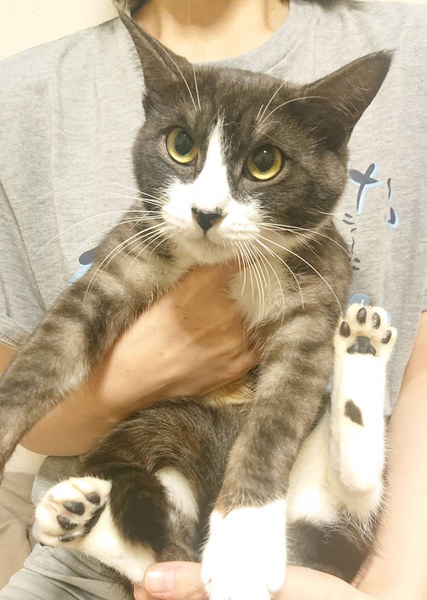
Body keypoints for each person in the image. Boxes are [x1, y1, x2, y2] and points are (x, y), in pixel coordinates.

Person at [0, 0, 426, 599]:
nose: (207, 205)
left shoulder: (412, 41)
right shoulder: (23, 92)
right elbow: (42, 387)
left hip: (323, 569)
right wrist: (149, 367)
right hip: (90, 565)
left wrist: (390, 588)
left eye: (264, 162)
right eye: (182, 148)